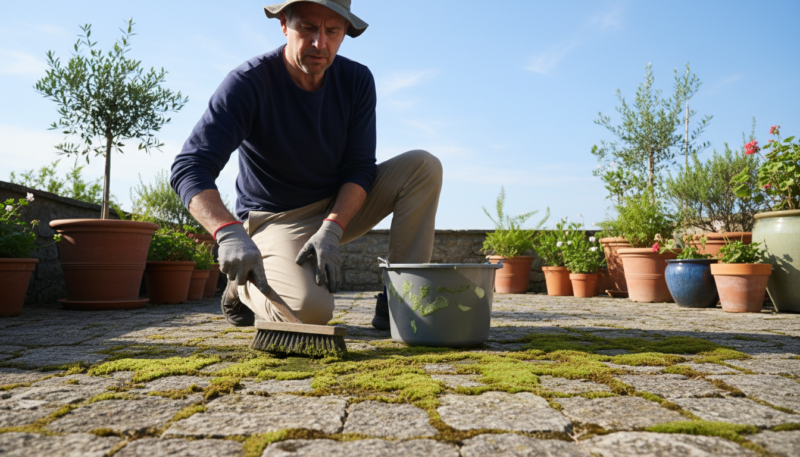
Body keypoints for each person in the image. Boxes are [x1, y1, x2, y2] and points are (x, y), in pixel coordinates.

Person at [171, 0, 442, 330]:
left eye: (332, 31)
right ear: (284, 23)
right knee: (309, 313)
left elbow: (360, 167)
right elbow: (190, 165)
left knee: (423, 167)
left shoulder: (356, 81)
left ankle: (400, 297)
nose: (320, 43)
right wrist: (228, 233)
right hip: (277, 218)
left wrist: (332, 228)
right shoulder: (248, 83)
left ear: (344, 33)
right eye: (309, 28)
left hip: (337, 209)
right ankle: (242, 281)